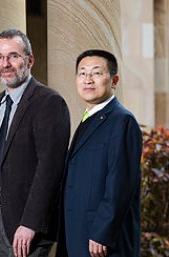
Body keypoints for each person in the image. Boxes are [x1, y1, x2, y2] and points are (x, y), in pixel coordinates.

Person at [0, 29, 71, 257]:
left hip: (26, 223)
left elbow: (50, 169)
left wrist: (30, 223)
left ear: (30, 60)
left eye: (13, 56)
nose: (5, 64)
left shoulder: (49, 102)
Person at [56, 49, 142, 257]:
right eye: (82, 73)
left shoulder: (122, 121)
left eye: (96, 73)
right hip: (77, 234)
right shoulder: (89, 118)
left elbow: (120, 184)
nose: (88, 79)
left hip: (100, 240)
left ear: (114, 80)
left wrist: (102, 232)